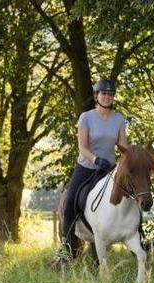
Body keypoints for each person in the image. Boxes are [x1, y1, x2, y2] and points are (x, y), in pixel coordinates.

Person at [54, 78, 128, 262]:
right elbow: (82, 147)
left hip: (109, 169)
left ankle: (138, 235)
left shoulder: (119, 119)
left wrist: (133, 156)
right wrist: (96, 159)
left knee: (131, 196)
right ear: (97, 96)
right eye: (104, 93)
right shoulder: (86, 117)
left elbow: (123, 146)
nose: (107, 97)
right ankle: (66, 245)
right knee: (70, 200)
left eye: (110, 94)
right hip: (87, 167)